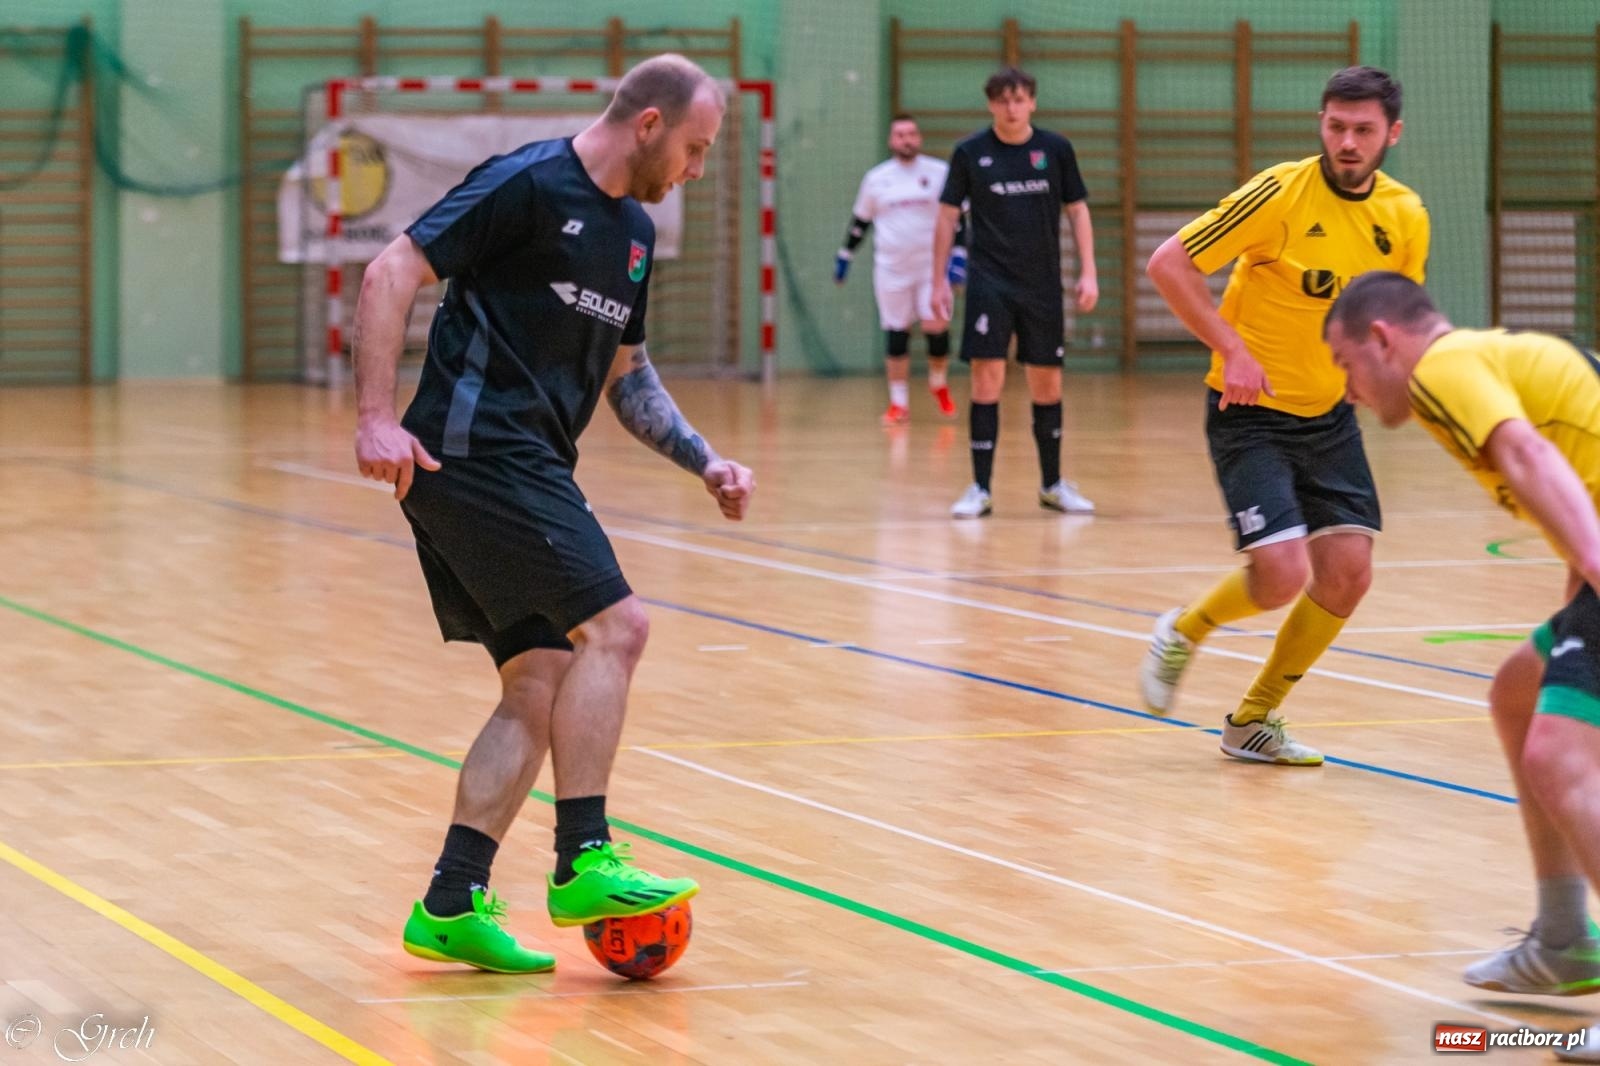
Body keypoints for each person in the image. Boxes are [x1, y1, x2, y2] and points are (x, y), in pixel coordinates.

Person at [351, 54, 755, 974]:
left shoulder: (635, 233)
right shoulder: (527, 183)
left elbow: (630, 377)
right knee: (618, 627)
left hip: (524, 463)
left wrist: (704, 459)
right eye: (694, 149)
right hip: (472, 450)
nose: (697, 169)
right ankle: (583, 858)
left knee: (539, 681)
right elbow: (389, 269)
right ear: (648, 124)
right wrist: (374, 417)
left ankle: (452, 901)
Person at [1323, 273, 1600, 1046]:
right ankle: (1562, 941)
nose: (1347, 391)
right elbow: (1578, 464)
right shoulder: (1485, 358)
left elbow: (1531, 454)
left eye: (1346, 366)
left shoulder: (1442, 371)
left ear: (1383, 340)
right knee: (1521, 692)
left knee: (1561, 755)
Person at [1138, 66, 1430, 766]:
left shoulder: (1404, 215)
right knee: (1278, 574)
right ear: (1320, 124)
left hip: (1328, 415)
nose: (1347, 142)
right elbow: (1169, 264)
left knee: (1349, 572)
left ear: (1393, 133)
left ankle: (1254, 720)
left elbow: (1398, 313)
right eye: (1336, 126)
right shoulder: (1279, 193)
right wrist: (1231, 348)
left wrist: (1384, 375)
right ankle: (1183, 630)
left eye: (1363, 130)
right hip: (1250, 410)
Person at [930, 66, 1098, 519]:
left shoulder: (1055, 150)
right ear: (991, 104)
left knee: (1047, 382)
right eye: (1003, 100)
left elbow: (1078, 210)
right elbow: (947, 217)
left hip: (1042, 284)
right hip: (990, 283)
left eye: (1019, 99)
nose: (1011, 107)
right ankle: (980, 488)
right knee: (987, 379)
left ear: (1032, 103)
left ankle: (1052, 485)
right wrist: (938, 280)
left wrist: (1089, 271)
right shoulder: (970, 152)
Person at [836, 114, 962, 426]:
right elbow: (860, 223)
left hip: (932, 269)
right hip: (892, 269)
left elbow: (958, 217)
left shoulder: (939, 172)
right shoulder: (877, 179)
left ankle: (938, 382)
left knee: (937, 329)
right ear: (891, 141)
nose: (907, 139)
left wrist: (959, 255)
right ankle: (899, 403)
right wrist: (845, 255)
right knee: (896, 332)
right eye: (900, 135)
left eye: (911, 134)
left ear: (918, 138)